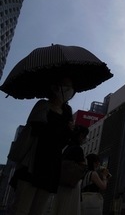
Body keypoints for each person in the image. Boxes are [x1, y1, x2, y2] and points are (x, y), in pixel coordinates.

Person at [9, 77, 75, 215]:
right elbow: (37, 129)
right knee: (21, 208)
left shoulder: (67, 111)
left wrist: (69, 131)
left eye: (71, 87)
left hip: (51, 165)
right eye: (66, 86)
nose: (70, 90)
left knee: (39, 210)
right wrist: (61, 129)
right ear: (55, 87)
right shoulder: (43, 105)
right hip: (33, 162)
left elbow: (62, 141)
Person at [51, 125, 89, 215]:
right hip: (72, 184)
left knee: (59, 208)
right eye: (85, 136)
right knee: (69, 209)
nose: (86, 139)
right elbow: (82, 166)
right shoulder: (78, 149)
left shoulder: (66, 147)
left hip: (61, 184)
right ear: (81, 136)